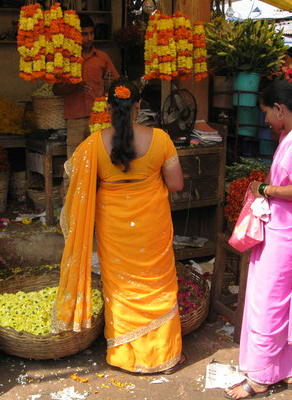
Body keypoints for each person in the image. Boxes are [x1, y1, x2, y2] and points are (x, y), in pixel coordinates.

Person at [52, 80, 187, 374]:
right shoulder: (161, 139)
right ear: (139, 106)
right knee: (157, 284)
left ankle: (125, 356)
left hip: (113, 228)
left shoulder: (92, 145)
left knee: (121, 286)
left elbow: (75, 187)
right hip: (152, 226)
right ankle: (163, 353)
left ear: (108, 108)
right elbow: (176, 184)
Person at [224, 80, 292, 399]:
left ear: (280, 109)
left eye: (266, 112)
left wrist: (265, 190)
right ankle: (285, 370)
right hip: (280, 230)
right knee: (276, 301)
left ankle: (261, 378)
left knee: (269, 304)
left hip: (285, 235)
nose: (265, 120)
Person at [53, 14, 119, 158]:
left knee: (101, 157)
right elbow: (56, 89)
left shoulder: (102, 57)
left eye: (91, 33)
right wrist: (75, 87)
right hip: (75, 119)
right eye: (84, 34)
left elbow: (115, 83)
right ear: (75, 35)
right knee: (74, 160)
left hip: (100, 118)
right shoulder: (66, 59)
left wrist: (107, 91)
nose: (89, 38)